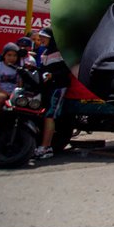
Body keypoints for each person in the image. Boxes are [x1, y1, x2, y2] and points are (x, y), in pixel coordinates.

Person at [32, 27, 70, 160]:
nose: (41, 39)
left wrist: (52, 75)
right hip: (47, 88)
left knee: (50, 115)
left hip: (58, 87)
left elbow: (67, 71)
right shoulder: (45, 52)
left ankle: (46, 147)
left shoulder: (61, 52)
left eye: (44, 37)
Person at [0, 43, 20, 136]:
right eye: (9, 55)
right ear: (4, 55)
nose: (12, 58)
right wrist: (9, 95)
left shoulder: (18, 69)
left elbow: (20, 85)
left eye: (15, 55)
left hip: (14, 94)